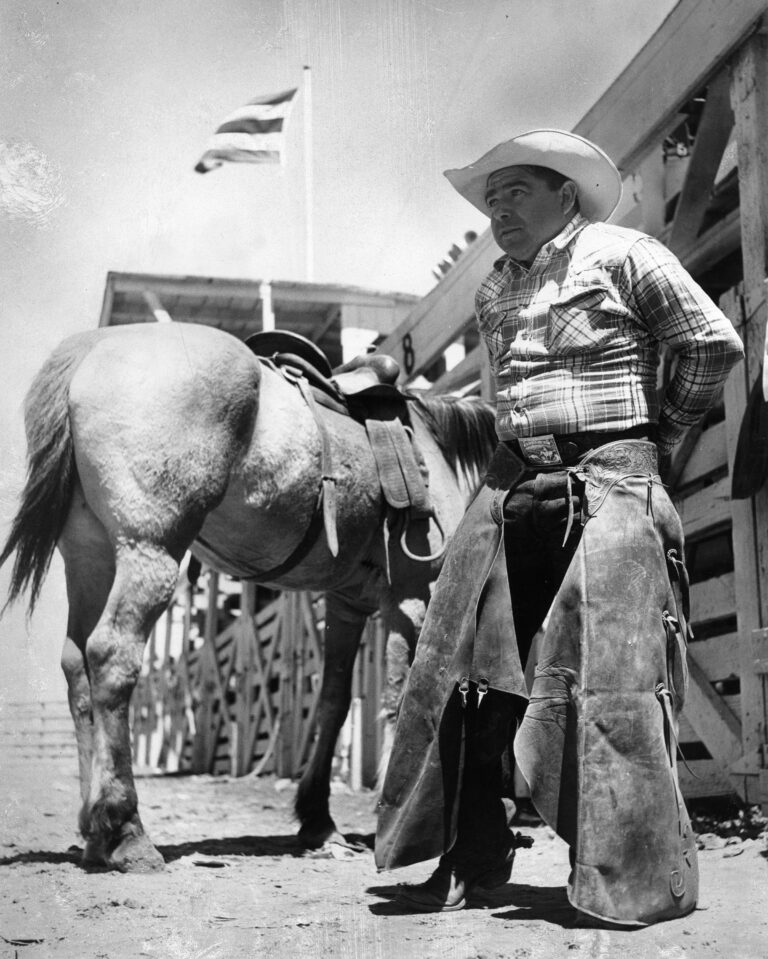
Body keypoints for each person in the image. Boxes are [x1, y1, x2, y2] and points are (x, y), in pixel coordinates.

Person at [374, 129, 744, 926]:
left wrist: (660, 441)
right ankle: (471, 859)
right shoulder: (494, 291)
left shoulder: (624, 255)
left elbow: (711, 343)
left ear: (565, 195)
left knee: (612, 679)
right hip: (517, 484)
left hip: (612, 479)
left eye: (514, 192)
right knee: (464, 668)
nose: (497, 210)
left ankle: (625, 878)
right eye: (490, 198)